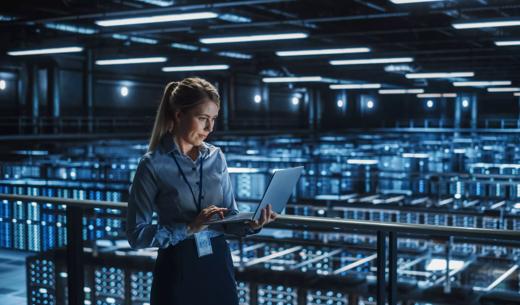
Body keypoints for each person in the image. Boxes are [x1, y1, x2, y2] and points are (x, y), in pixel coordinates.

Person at [126, 77, 277, 305]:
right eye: (202, 119)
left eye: (213, 119)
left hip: (218, 263)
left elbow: (229, 217)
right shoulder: (152, 164)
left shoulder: (217, 157)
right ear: (178, 115)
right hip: (178, 265)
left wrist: (251, 225)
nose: (210, 128)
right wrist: (189, 228)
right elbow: (136, 235)